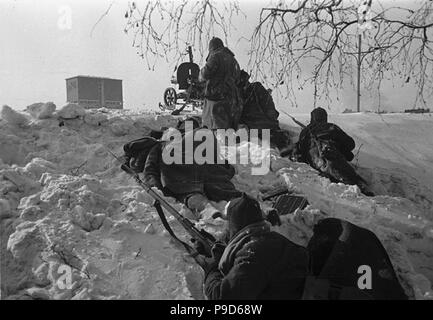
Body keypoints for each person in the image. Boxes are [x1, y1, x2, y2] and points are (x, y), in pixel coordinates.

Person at [194, 193, 309, 299]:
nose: (226, 228)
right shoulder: (271, 239)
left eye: (228, 222)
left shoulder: (253, 254)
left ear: (234, 224)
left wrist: (212, 269)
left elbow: (222, 297)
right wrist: (218, 248)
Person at [143, 124, 242, 219]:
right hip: (203, 160)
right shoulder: (198, 133)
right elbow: (219, 159)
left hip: (181, 165)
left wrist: (154, 186)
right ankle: (238, 203)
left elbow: (149, 168)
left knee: (186, 189)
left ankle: (205, 208)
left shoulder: (161, 145)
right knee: (217, 184)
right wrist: (227, 169)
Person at [293, 107, 373, 196]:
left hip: (316, 166)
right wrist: (344, 152)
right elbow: (350, 144)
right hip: (333, 159)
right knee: (358, 187)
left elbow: (299, 153)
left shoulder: (304, 132)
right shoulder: (330, 127)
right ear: (325, 117)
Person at [237, 70, 292, 155]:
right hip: (267, 130)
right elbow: (270, 110)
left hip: (255, 133)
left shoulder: (238, 94)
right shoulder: (256, 88)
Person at [199, 37, 242, 130]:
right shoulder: (232, 59)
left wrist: (200, 75)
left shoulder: (215, 56)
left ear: (211, 47)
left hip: (215, 97)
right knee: (226, 124)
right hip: (230, 97)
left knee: (211, 125)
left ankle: (214, 140)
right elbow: (237, 77)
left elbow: (205, 74)